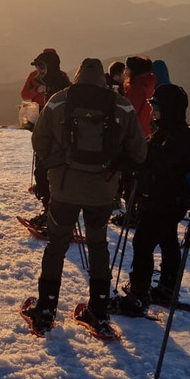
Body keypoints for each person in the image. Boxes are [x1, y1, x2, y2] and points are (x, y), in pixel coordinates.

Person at [21, 58, 146, 338]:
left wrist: (58, 163)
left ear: (77, 76)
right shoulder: (120, 105)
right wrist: (114, 170)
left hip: (64, 187)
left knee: (57, 244)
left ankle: (45, 311)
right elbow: (139, 152)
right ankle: (98, 311)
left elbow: (38, 141)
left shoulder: (58, 101)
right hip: (102, 191)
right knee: (98, 244)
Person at [115, 83, 190, 317]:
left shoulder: (176, 137)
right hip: (170, 201)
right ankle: (166, 289)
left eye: (157, 106)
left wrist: (134, 167)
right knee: (168, 240)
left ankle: (139, 297)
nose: (153, 111)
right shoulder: (171, 132)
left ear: (169, 108)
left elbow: (157, 168)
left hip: (164, 201)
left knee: (142, 243)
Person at [21, 49, 70, 232]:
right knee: (43, 175)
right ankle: (49, 213)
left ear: (50, 66)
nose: (39, 70)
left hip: (54, 141)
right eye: (38, 66)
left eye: (42, 66)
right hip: (48, 134)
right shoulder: (50, 81)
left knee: (47, 176)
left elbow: (58, 116)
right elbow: (25, 94)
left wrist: (40, 129)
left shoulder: (59, 85)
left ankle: (53, 217)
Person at [123, 55, 157, 139]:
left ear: (134, 71)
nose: (125, 72)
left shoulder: (136, 88)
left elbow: (129, 111)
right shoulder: (149, 84)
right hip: (146, 130)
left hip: (135, 132)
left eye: (127, 68)